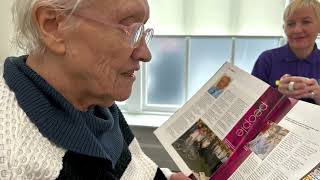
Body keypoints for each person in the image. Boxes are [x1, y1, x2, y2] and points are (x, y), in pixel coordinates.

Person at [0, 0, 192, 179]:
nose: (145, 54)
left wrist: (167, 177)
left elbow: (132, 170)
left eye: (142, 31)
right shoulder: (14, 163)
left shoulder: (95, 99)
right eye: (129, 29)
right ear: (53, 26)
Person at [252, 0, 320, 105]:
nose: (297, 30)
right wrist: (277, 94)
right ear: (284, 28)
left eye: (306, 22)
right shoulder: (267, 60)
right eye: (290, 24)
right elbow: (251, 103)